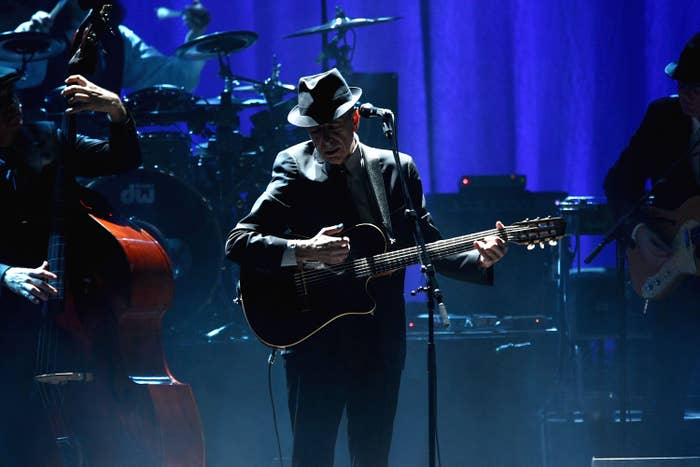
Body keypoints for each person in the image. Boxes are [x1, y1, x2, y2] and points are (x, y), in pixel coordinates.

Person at [225, 68, 508, 466]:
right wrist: (305, 249)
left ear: (355, 118)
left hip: (379, 341)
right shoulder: (293, 165)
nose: (324, 140)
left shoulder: (396, 167)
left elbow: (425, 243)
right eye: (315, 131)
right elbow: (239, 241)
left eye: (333, 128)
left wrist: (478, 258)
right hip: (314, 338)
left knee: (373, 456)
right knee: (310, 456)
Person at [0, 69, 141, 465]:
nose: (14, 107)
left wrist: (116, 110)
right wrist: (7, 274)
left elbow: (123, 157)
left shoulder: (46, 137)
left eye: (13, 96)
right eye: (0, 103)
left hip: (73, 311)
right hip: (8, 323)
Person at [603, 32, 700, 456]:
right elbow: (619, 182)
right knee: (665, 389)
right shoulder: (663, 117)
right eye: (681, 87)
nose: (685, 98)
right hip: (672, 279)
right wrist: (640, 233)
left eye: (696, 90)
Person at [5, 0, 210, 113]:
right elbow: (15, 79)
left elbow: (176, 79)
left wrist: (196, 34)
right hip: (44, 158)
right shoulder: (40, 32)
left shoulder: (119, 39)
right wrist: (29, 40)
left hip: (101, 158)